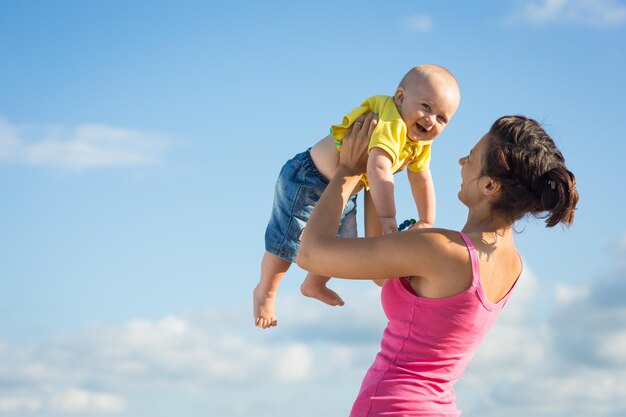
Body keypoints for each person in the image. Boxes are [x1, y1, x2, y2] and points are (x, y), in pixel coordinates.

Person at [297, 113, 579, 416]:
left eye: (470, 157)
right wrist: (375, 173)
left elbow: (311, 254)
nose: (460, 161)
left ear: (489, 186)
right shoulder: (510, 263)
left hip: (392, 407)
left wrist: (347, 170)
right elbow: (383, 272)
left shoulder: (442, 250)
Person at [254, 65, 461, 329]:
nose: (432, 120)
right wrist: (388, 219)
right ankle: (266, 292)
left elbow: (421, 176)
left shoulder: (419, 142)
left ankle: (313, 283)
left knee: (339, 248)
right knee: (286, 243)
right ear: (400, 97)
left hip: (344, 190)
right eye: (426, 107)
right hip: (308, 179)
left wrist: (426, 218)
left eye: (442, 118)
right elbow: (378, 168)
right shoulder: (391, 121)